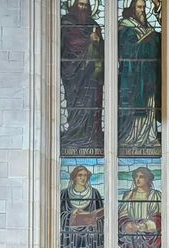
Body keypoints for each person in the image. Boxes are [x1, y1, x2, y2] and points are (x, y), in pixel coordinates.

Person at [60, 0, 104, 153]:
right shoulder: (66, 23)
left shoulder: (94, 25)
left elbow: (103, 53)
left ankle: (91, 136)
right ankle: (75, 134)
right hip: (74, 75)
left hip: (91, 76)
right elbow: (69, 44)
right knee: (76, 106)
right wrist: (88, 42)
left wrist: (97, 42)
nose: (83, 8)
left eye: (86, 5)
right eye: (80, 4)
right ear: (74, 5)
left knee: (91, 107)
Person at [118, 0, 161, 151]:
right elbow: (125, 50)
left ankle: (148, 136)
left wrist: (153, 39)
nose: (142, 11)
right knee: (135, 104)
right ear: (132, 8)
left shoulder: (147, 27)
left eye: (143, 8)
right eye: (139, 7)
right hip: (132, 75)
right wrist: (141, 43)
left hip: (148, 74)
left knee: (149, 103)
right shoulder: (125, 26)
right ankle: (132, 137)